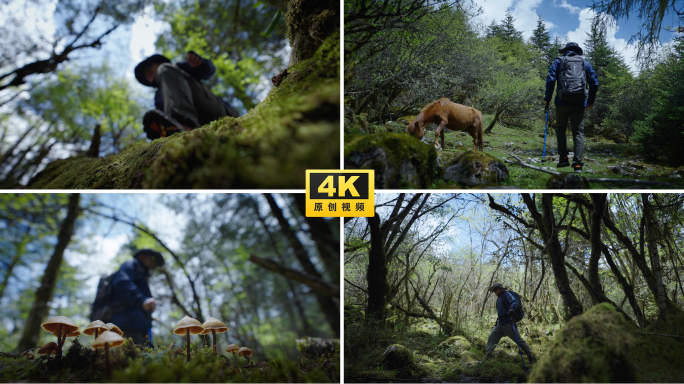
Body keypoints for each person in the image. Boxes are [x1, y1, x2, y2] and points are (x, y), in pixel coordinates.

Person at [134, 52, 236, 140]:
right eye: (144, 73)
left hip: (215, 112)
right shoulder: (158, 98)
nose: (146, 73)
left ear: (157, 62)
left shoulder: (178, 68)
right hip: (202, 127)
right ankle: (175, 130)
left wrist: (200, 63)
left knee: (165, 69)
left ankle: (183, 124)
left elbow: (208, 71)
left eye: (147, 68)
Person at [544, 42, 599, 174]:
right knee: (578, 132)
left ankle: (563, 159)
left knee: (561, 128)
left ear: (566, 50)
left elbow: (550, 80)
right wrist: (590, 101)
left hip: (561, 102)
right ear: (577, 51)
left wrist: (547, 98)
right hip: (580, 102)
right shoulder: (585, 63)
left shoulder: (559, 61)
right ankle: (578, 165)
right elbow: (595, 83)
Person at [109, 249, 164, 344]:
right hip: (127, 322)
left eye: (155, 263)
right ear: (142, 256)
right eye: (152, 259)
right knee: (131, 355)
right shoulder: (131, 264)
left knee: (145, 356)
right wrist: (141, 300)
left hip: (141, 326)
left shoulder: (143, 276)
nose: (153, 263)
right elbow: (122, 283)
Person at [481, 283, 536, 364]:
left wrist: (511, 310)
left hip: (509, 323)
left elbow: (514, 302)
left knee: (519, 341)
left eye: (495, 289)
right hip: (500, 324)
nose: (494, 291)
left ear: (500, 288)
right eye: (493, 290)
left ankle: (531, 357)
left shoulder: (506, 294)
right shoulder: (499, 298)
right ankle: (486, 358)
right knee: (492, 338)